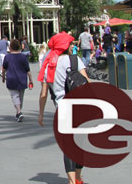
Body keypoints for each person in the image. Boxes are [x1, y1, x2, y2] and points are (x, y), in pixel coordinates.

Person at [38, 30, 89, 184]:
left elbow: (44, 94)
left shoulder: (49, 66)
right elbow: (86, 82)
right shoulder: (75, 61)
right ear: (67, 46)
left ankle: (72, 181)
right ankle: (78, 178)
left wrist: (40, 114)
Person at [2, 39, 32, 121]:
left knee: (14, 96)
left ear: (10, 47)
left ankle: (19, 112)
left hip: (11, 79)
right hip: (22, 79)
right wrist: (31, 79)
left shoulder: (7, 57)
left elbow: (4, 68)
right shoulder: (23, 57)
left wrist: (3, 76)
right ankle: (19, 112)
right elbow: (27, 69)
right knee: (20, 97)